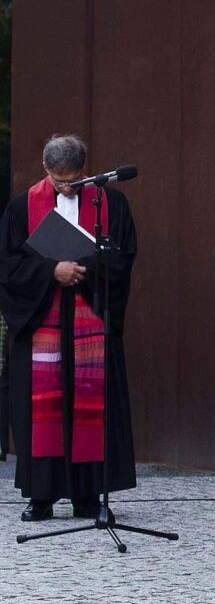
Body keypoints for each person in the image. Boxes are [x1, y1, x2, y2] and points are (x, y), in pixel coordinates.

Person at [5, 136, 137, 522]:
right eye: (58, 179)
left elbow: (124, 258)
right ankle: (41, 496)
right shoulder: (22, 207)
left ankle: (87, 495)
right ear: (45, 170)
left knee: (90, 406)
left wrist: (83, 269)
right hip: (42, 318)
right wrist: (51, 271)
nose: (65, 186)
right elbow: (8, 265)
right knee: (41, 409)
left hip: (89, 317)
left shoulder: (111, 204)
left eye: (73, 179)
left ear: (85, 169)